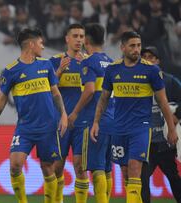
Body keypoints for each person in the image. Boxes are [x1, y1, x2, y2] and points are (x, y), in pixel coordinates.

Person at [90, 31, 178, 203]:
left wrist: (172, 129)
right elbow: (103, 99)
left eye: (138, 45)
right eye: (132, 46)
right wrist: (95, 122)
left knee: (134, 167)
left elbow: (163, 102)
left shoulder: (151, 70)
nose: (136, 49)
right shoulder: (113, 70)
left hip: (141, 128)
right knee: (125, 172)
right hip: (119, 128)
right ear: (123, 47)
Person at [0, 28, 68, 203]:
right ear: (31, 45)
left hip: (48, 125)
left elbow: (55, 93)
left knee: (48, 168)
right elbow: (1, 101)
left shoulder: (46, 65)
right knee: (15, 165)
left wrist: (63, 115)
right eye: (40, 43)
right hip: (25, 127)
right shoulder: (11, 70)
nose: (43, 46)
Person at [68, 23, 114, 203]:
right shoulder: (110, 61)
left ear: (86, 40)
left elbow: (88, 91)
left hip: (93, 121)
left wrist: (74, 112)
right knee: (106, 168)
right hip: (111, 120)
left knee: (96, 170)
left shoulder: (88, 62)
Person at [49, 23, 89, 203]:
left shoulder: (89, 62)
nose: (79, 40)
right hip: (61, 122)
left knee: (80, 167)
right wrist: (58, 73)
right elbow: (46, 90)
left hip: (83, 123)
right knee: (57, 167)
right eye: (75, 36)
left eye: (82, 36)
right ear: (67, 39)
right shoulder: (55, 61)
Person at [140, 46, 181, 203]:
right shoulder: (138, 82)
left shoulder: (169, 81)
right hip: (145, 141)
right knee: (143, 180)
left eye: (151, 57)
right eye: (144, 57)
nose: (147, 60)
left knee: (174, 178)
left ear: (158, 61)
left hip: (165, 142)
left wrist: (176, 116)